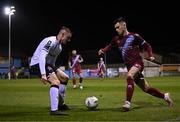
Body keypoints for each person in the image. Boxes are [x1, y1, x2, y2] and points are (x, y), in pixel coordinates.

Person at [98, 17, 173, 111]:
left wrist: (150, 55)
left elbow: (147, 45)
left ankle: (127, 103)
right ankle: (165, 96)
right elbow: (110, 46)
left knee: (129, 76)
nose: (116, 30)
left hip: (138, 63)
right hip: (130, 67)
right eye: (115, 28)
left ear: (124, 25)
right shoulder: (116, 39)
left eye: (118, 27)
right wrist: (103, 50)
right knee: (146, 89)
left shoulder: (134, 36)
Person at [29, 26, 72, 115]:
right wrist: (44, 74)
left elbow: (52, 62)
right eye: (68, 38)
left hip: (47, 64)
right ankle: (54, 110)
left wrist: (53, 70)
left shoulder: (59, 48)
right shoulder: (50, 41)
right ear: (62, 34)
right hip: (36, 63)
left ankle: (61, 104)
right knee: (55, 82)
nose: (68, 40)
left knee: (64, 78)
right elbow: (42, 57)